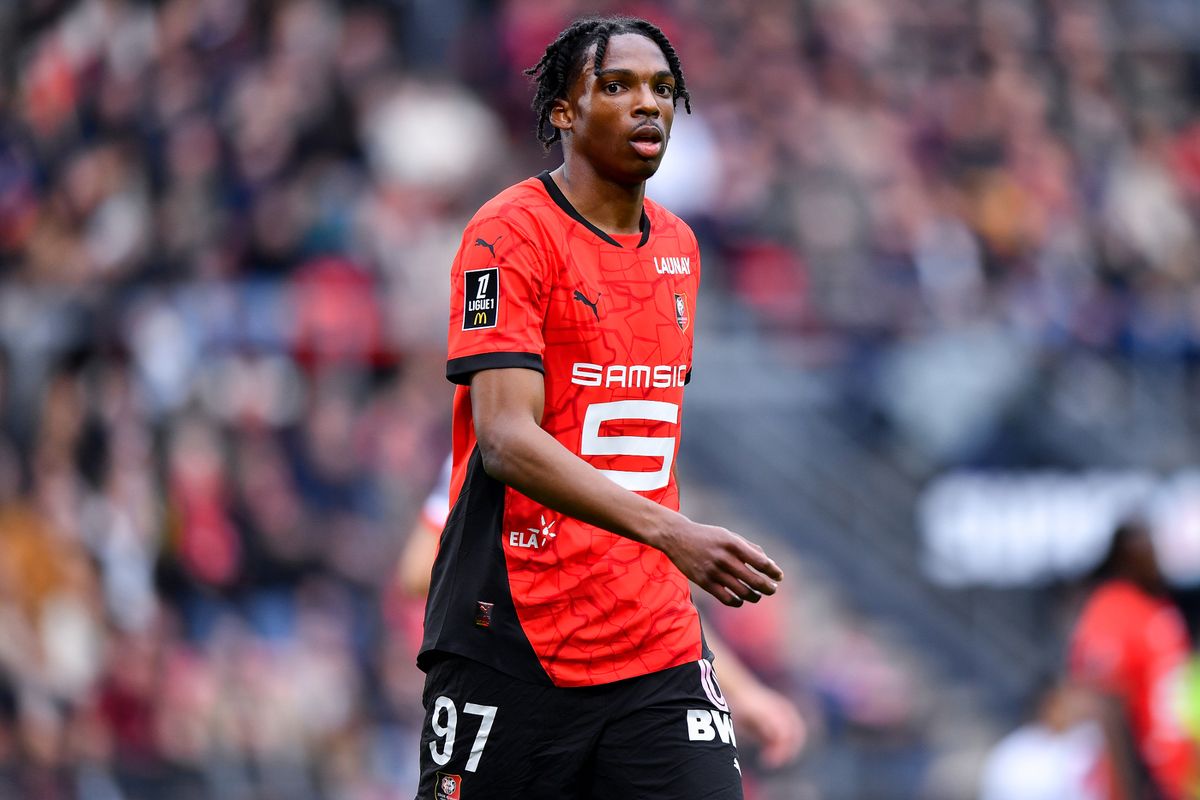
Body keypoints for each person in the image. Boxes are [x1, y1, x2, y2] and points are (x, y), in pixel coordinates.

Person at [416, 15, 785, 799]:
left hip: (655, 648)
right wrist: (672, 532)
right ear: (563, 112)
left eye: (660, 89)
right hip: (511, 639)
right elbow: (506, 442)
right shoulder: (510, 233)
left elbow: (638, 451)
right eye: (615, 87)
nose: (645, 105)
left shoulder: (680, 248)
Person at [399, 456, 807, 772]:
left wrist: (744, 692)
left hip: (627, 690)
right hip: (521, 684)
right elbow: (418, 568)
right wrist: (547, 594)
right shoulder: (501, 433)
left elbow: (645, 590)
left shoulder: (630, 434)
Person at [1069, 520, 1199, 799]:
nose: (1156, 555)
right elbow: (1107, 708)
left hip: (1175, 780)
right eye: (1148, 546)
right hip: (1141, 782)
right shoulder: (1111, 610)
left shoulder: (1156, 608)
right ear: (1126, 555)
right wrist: (1129, 790)